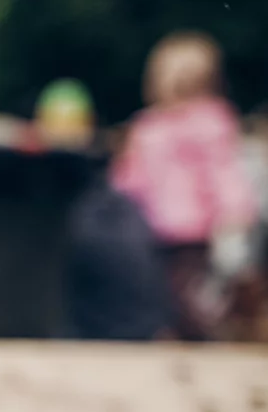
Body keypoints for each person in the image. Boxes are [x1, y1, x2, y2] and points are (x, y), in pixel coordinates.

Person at [110, 32, 257, 340]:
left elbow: (221, 173)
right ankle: (191, 334)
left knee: (188, 291)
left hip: (186, 229)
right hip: (165, 228)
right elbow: (131, 177)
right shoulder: (157, 126)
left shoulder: (184, 124)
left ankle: (203, 336)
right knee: (178, 291)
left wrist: (235, 213)